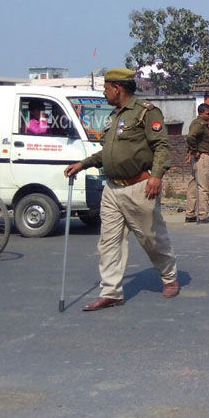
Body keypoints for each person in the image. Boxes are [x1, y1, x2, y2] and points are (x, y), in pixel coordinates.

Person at [64, 67, 178, 311]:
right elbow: (108, 153)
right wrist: (83, 164)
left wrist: (156, 176)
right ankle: (111, 292)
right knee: (109, 242)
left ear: (118, 88)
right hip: (112, 189)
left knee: (151, 238)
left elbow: (161, 147)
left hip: (140, 187)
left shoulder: (146, 113)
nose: (104, 93)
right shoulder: (115, 116)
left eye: (106, 88)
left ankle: (169, 276)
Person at [185, 102, 209, 224]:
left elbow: (191, 138)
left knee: (193, 186)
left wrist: (191, 151)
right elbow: (190, 137)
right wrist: (194, 150)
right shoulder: (200, 124)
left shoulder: (196, 123)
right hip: (202, 157)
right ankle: (203, 214)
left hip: (197, 157)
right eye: (208, 113)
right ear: (201, 113)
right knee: (203, 187)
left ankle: (190, 213)